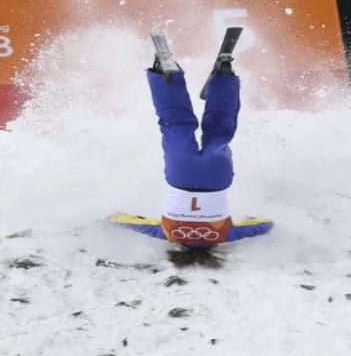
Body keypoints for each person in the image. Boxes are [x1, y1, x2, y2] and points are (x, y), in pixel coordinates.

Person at [110, 32, 273, 249]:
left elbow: (264, 225)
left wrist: (256, 220)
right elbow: (130, 222)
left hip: (217, 176)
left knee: (220, 129)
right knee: (174, 123)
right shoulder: (166, 234)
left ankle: (225, 76)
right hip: (181, 173)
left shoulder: (225, 236)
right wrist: (111, 218)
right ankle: (165, 75)